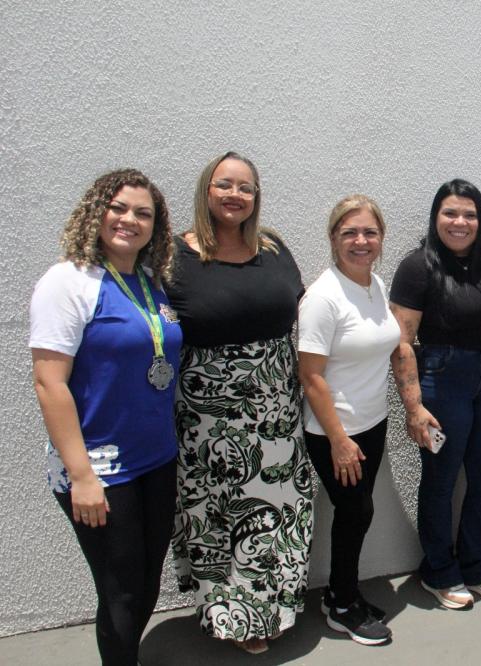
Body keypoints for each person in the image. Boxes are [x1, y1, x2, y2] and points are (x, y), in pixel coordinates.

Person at [30, 169, 181, 665]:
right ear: (96, 212)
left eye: (143, 213)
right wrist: (81, 476)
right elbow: (49, 383)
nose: (129, 220)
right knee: (121, 590)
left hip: (156, 457)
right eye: (118, 208)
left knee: (148, 579)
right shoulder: (68, 281)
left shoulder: (150, 282)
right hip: (99, 466)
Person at [167, 152, 314, 654]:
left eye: (245, 187)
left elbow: (303, 306)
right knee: (218, 516)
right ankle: (233, 617)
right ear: (206, 190)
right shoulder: (172, 255)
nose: (235, 195)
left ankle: (273, 609)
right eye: (225, 185)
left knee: (283, 510)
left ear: (256, 196)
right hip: (208, 420)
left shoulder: (273, 247)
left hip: (276, 411)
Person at [390, 180, 481, 609]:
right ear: (436, 218)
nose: (460, 222)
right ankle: (439, 570)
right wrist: (413, 408)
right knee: (441, 478)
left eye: (469, 215)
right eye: (450, 213)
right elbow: (402, 342)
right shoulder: (417, 267)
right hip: (440, 382)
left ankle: (479, 565)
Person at [299, 194, 402, 645]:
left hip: (372, 421)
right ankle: (342, 606)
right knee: (356, 510)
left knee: (356, 512)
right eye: (350, 233)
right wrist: (339, 440)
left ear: (381, 238)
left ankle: (341, 592)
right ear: (333, 238)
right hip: (335, 430)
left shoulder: (375, 285)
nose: (361, 241)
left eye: (370, 232)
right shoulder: (322, 297)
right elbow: (311, 377)